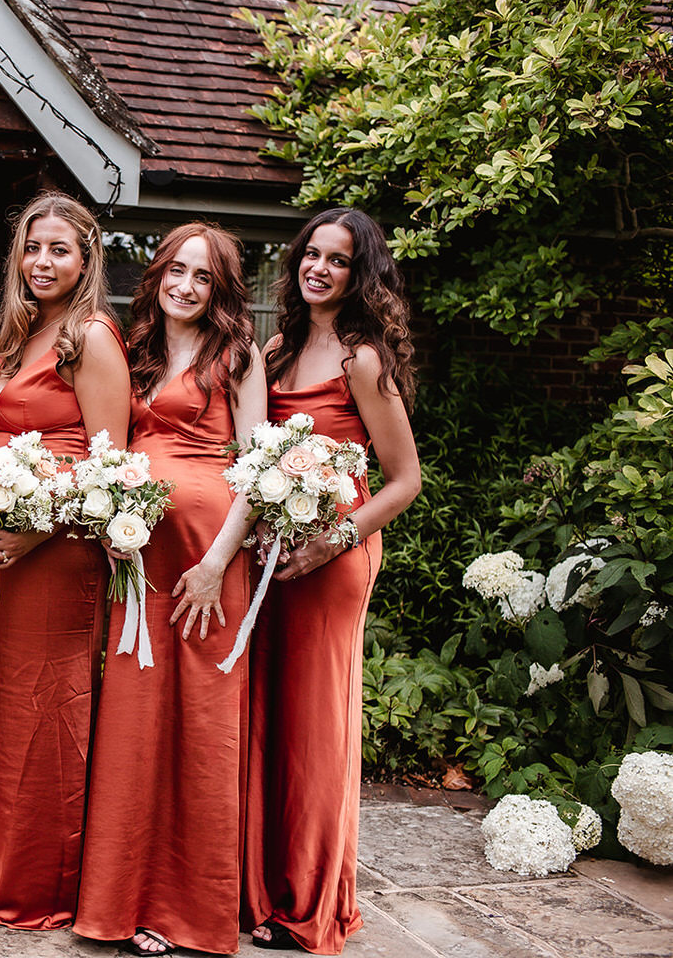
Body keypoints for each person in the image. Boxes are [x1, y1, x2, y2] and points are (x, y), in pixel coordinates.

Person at [74, 223, 266, 956]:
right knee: (136, 715)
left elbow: (255, 466)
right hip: (141, 555)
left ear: (221, 290)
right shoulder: (139, 350)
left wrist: (219, 561)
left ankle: (188, 910)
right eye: (175, 271)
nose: (185, 286)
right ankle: (122, 899)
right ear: (156, 276)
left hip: (206, 562)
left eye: (202, 277)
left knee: (201, 724)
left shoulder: (238, 356)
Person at [243, 208, 421, 954]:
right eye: (310, 255)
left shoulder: (364, 359)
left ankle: (310, 905)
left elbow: (406, 479)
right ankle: (260, 883)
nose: (318, 268)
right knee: (265, 714)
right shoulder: (277, 348)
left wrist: (333, 542)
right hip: (274, 549)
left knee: (314, 725)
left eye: (338, 260)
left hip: (336, 551)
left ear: (361, 274)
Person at [0, 191, 131, 930]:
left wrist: (38, 531)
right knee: (10, 710)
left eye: (59, 250)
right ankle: (3, 863)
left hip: (59, 551)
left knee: (51, 710)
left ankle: (44, 883)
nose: (42, 262)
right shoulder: (22, 334)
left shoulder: (92, 337)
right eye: (33, 248)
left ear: (86, 259)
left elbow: (111, 464)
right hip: (10, 550)